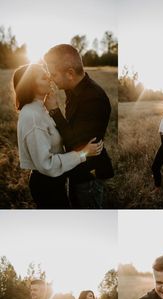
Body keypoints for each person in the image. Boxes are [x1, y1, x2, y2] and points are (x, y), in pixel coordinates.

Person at [13, 63, 103, 209]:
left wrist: (54, 109)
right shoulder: (32, 116)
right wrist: (82, 154)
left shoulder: (40, 108)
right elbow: (46, 165)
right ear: (30, 85)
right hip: (46, 185)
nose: (50, 78)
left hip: (55, 181)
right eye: (44, 77)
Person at [44, 44, 114, 209]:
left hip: (88, 175)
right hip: (76, 168)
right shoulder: (72, 88)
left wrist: (54, 111)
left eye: (53, 74)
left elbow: (77, 143)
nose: (50, 79)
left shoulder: (94, 99)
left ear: (70, 73)